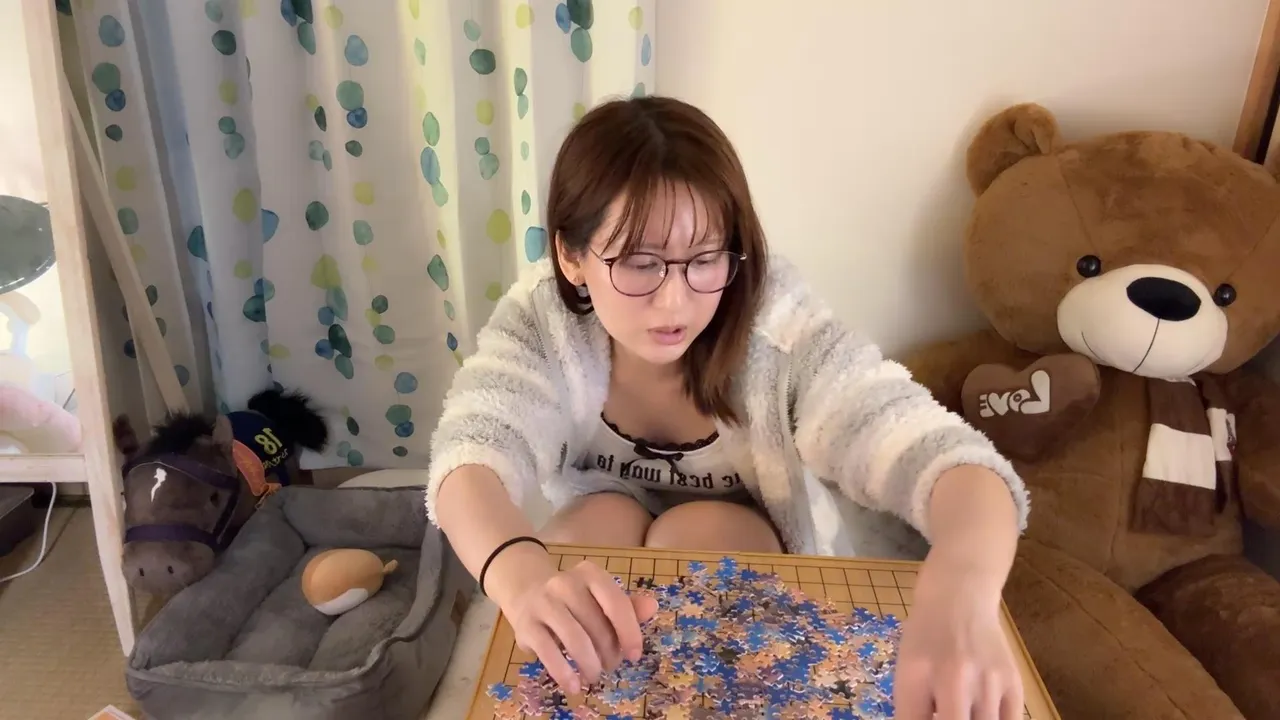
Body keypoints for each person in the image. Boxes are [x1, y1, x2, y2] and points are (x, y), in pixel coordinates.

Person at [426, 95, 1030, 720]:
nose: (675, 302)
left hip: (741, 531)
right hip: (599, 511)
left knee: (699, 535)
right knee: (585, 540)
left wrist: (961, 589)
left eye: (705, 259)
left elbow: (939, 453)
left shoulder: (781, 329)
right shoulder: (542, 321)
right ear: (571, 257)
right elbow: (470, 452)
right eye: (640, 263)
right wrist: (518, 573)